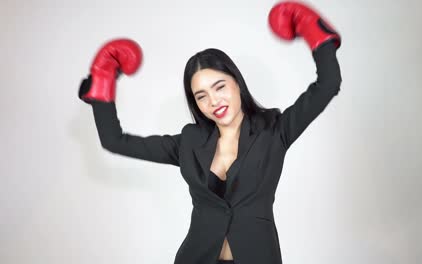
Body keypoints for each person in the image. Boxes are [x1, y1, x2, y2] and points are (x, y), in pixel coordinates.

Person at [78, 1, 342, 264]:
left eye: (220, 87)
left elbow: (328, 84)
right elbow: (115, 141)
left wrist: (313, 30)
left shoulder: (274, 130)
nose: (214, 101)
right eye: (201, 96)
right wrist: (102, 82)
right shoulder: (189, 143)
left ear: (237, 83)